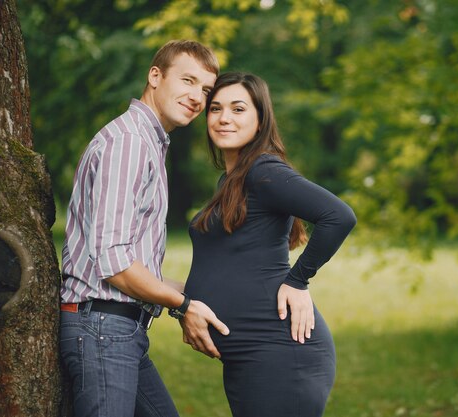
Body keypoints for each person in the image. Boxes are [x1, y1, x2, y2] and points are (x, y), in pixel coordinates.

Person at [59, 40, 230, 417]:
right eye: (187, 80)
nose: (197, 97)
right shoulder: (130, 144)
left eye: (205, 90)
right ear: (155, 76)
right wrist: (184, 306)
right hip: (103, 329)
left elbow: (131, 263)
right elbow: (115, 264)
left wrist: (204, 294)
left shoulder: (148, 142)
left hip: (118, 329)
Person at [183, 72, 357, 417]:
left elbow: (339, 216)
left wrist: (298, 279)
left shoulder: (264, 171)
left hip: (279, 353)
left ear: (261, 119)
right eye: (215, 109)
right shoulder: (231, 180)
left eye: (238, 108)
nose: (224, 118)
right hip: (249, 356)